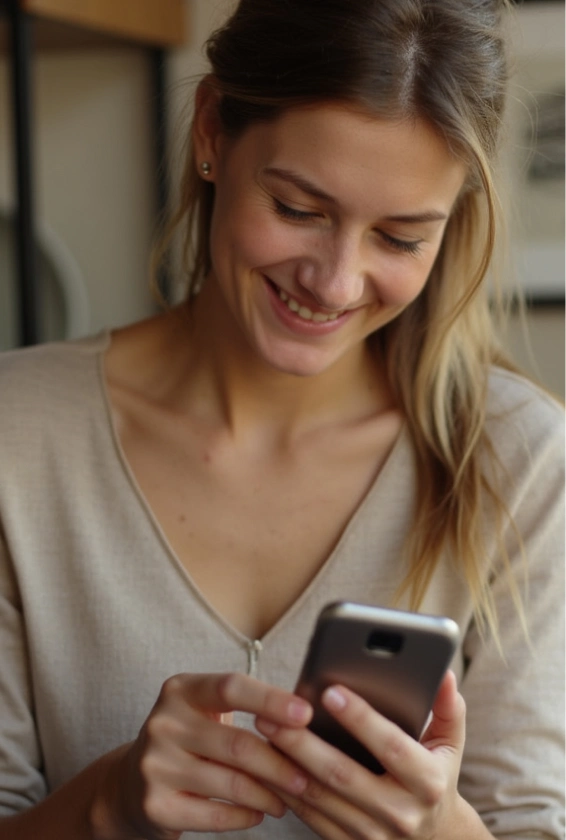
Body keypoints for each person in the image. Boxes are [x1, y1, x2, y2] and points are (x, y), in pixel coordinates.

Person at [0, 0, 563, 837]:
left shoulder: (517, 457)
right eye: (299, 209)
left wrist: (436, 823)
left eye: (402, 239)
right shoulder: (19, 432)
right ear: (211, 133)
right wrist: (107, 805)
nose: (335, 284)